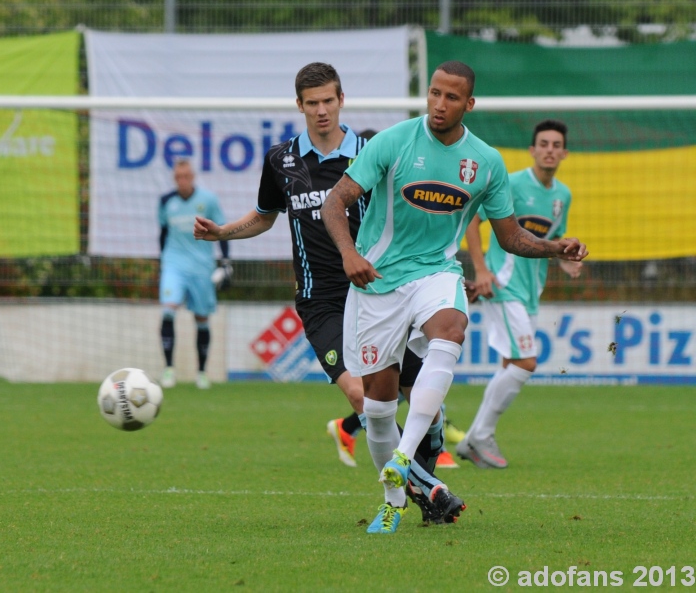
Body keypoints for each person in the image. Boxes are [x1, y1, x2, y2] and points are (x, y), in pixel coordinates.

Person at [322, 61, 588, 534]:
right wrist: (348, 253)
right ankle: (392, 501)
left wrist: (554, 246)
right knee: (378, 411)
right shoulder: (393, 141)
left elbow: (509, 236)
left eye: (451, 97)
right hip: (375, 282)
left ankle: (407, 456)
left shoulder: (484, 161)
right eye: (434, 94)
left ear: (469, 104)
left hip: (437, 273)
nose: (439, 104)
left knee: (452, 327)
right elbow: (334, 202)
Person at [194, 62, 454, 524]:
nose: (320, 111)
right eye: (311, 103)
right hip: (323, 302)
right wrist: (223, 234)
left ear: (341, 100)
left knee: (419, 399)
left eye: (328, 101)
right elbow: (264, 216)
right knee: (362, 397)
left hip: (381, 291)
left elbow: (410, 214)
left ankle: (427, 467)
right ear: (299, 106)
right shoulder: (282, 161)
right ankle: (426, 492)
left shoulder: (373, 153)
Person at [457, 119, 582, 469]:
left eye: (556, 145)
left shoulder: (563, 196)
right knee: (527, 362)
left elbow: (552, 241)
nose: (549, 150)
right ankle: (478, 435)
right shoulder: (511, 183)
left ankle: (475, 439)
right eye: (543, 143)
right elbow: (472, 220)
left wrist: (566, 262)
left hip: (530, 292)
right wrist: (481, 270)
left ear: (564, 153)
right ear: (532, 150)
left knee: (511, 364)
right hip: (503, 284)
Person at [158, 158, 230, 390]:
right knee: (168, 311)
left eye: (186, 176)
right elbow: (163, 233)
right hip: (174, 265)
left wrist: (226, 262)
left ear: (193, 177)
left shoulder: (208, 200)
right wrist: (163, 261)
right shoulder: (166, 201)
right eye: (178, 177)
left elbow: (221, 230)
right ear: (174, 179)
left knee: (201, 319)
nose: (183, 181)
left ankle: (201, 372)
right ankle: (169, 370)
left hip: (201, 267)